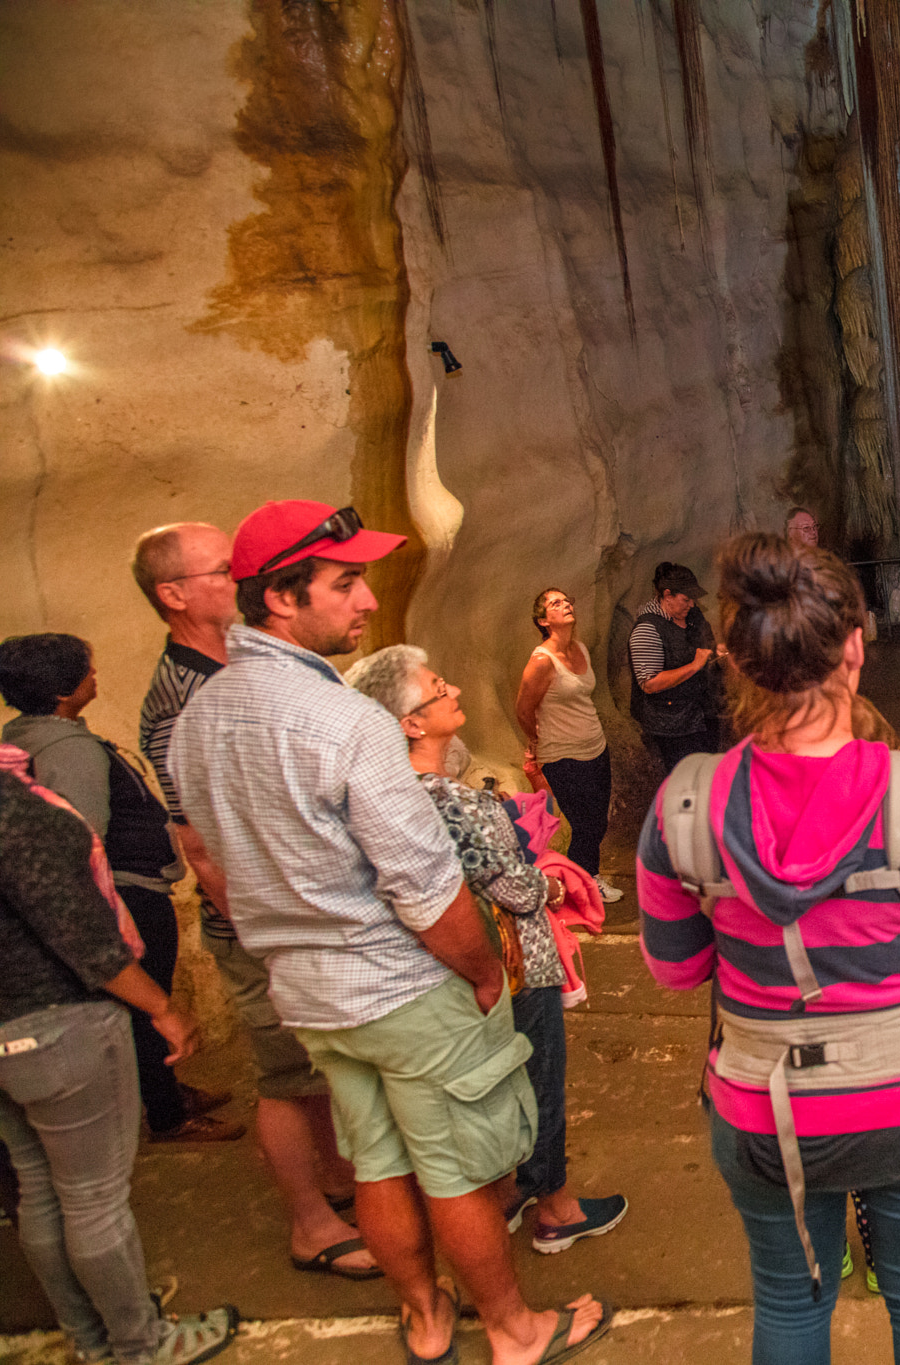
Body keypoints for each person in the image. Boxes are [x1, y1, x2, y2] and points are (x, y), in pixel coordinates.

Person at [170, 501, 609, 1365]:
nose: (366, 601)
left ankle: (425, 1317)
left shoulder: (199, 719)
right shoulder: (348, 722)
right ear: (281, 601)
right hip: (404, 987)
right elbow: (424, 881)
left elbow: (209, 861)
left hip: (310, 993)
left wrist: (281, 942)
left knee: (376, 1159)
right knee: (458, 1169)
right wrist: (484, 971)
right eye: (344, 584)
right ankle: (515, 1330)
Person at [638, 532, 900, 1364]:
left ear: (733, 661)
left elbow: (675, 969)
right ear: (855, 649)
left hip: (766, 1107)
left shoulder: (683, 806)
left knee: (790, 1302)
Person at [131, 520, 377, 1280]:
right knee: (284, 1073)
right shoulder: (181, 696)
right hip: (264, 925)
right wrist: (267, 934)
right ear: (174, 594)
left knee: (318, 1068)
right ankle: (311, 1224)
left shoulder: (240, 663)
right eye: (218, 569)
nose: (235, 575)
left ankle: (339, 1180)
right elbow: (200, 842)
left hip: (300, 915)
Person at [349, 644, 630, 1256]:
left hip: (449, 971)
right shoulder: (453, 800)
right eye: (437, 685)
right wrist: (556, 884)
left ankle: (507, 1194)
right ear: (410, 723)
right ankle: (555, 1206)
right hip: (513, 963)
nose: (452, 689)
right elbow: (511, 886)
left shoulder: (388, 795)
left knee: (494, 1086)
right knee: (539, 1077)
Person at [0, 747, 240, 1365]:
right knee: (92, 1198)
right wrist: (160, 1007)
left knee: (39, 1189)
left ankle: (89, 1336)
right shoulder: (16, 813)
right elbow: (87, 940)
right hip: (58, 1024)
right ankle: (142, 1344)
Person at [0, 634, 243, 1147]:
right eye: (86, 670)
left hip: (129, 889)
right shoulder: (69, 749)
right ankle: (168, 1115)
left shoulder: (32, 736)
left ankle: (167, 1092)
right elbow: (84, 839)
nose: (95, 676)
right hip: (126, 895)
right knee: (146, 1007)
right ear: (64, 689)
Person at [515, 589, 622, 903]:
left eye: (566, 600)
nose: (565, 605)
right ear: (543, 620)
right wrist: (534, 739)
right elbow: (523, 708)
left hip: (595, 746)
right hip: (563, 753)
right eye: (555, 603)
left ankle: (589, 877)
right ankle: (579, 888)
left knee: (598, 820)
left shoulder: (581, 650)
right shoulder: (541, 661)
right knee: (584, 824)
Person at [628, 562, 722, 771]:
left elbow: (705, 646)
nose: (691, 605)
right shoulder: (647, 629)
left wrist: (717, 651)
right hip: (673, 726)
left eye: (693, 600)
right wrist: (694, 666)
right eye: (685, 600)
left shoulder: (692, 616)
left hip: (701, 714)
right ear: (667, 595)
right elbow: (649, 683)